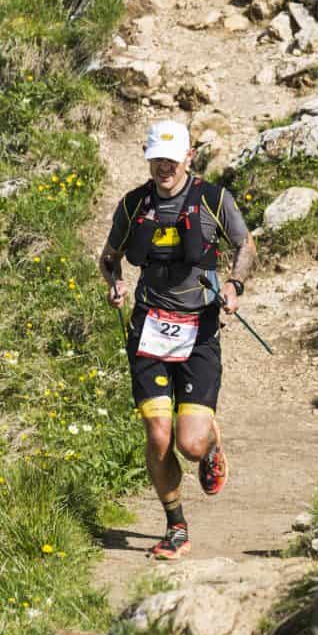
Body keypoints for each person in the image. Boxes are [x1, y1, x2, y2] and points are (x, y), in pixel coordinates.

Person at [99, 120, 256, 560]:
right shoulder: (134, 204)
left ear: (189, 157)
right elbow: (109, 258)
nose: (164, 167)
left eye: (172, 158)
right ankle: (176, 527)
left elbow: (246, 246)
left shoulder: (213, 199)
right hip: (149, 326)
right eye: (157, 159)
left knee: (190, 445)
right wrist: (115, 283)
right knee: (157, 434)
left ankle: (210, 443)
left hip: (199, 329)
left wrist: (234, 286)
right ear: (148, 158)